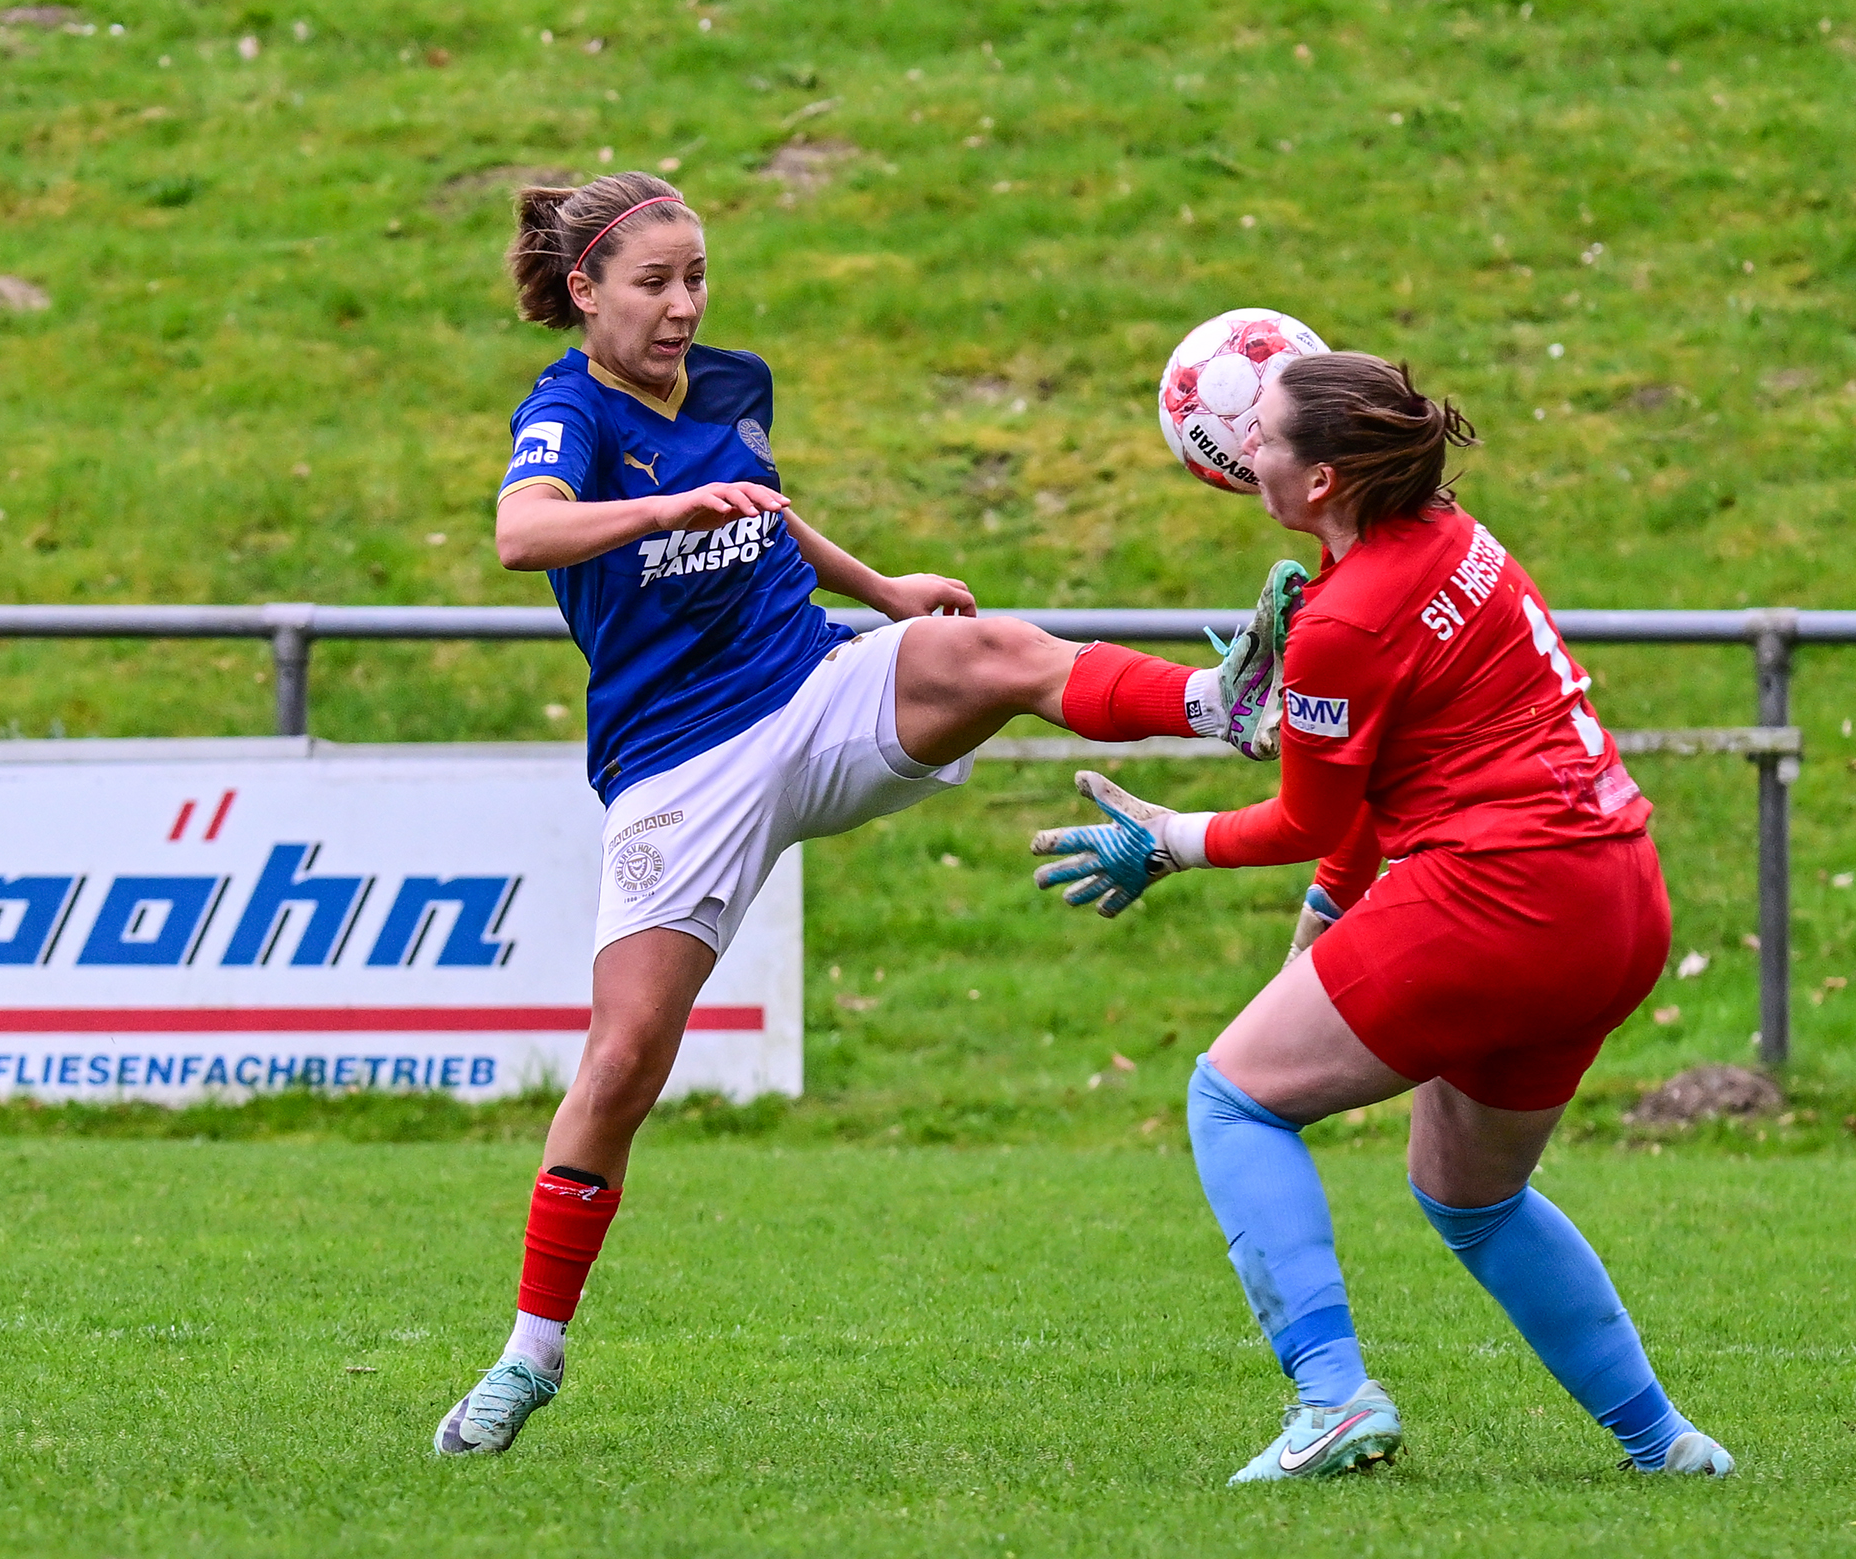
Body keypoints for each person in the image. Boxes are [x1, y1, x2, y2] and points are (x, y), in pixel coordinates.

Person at [435, 172, 1299, 1456]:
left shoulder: (732, 383)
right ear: (583, 292)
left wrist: (881, 586)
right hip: (678, 768)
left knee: (986, 651)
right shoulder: (564, 410)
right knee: (621, 1065)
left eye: (697, 279)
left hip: (810, 683)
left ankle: (1221, 703)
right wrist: (666, 507)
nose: (683, 308)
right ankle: (530, 1354)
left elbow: (769, 515)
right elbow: (521, 535)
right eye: (654, 284)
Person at [1032, 352, 1734, 1483]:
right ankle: (1667, 1444)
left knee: (1234, 1098)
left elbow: (1302, 815)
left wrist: (1166, 837)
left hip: (1500, 895)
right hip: (1616, 892)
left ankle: (1331, 1398)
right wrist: (1331, 903)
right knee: (1473, 1196)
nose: (1241, 450)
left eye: (1259, 434)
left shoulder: (1342, 622)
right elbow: (1375, 786)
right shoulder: (1453, 536)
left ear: (1322, 480)